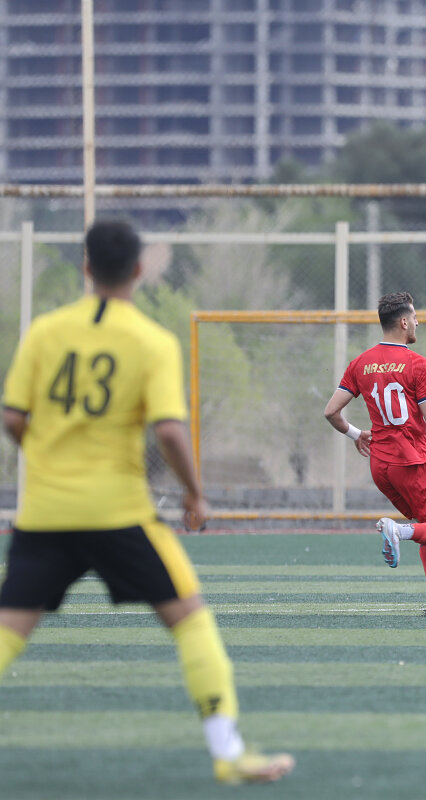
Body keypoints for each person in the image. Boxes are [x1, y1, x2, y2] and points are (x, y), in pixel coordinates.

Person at [0, 219, 293, 784]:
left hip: (46, 514)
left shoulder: (44, 331)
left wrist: (52, 456)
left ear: (86, 266)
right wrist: (195, 493)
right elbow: (169, 430)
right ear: (138, 270)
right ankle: (228, 753)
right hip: (118, 514)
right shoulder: (152, 341)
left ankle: (231, 753)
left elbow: (13, 417)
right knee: (191, 621)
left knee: (9, 630)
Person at [323, 291, 426, 616]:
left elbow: (330, 412)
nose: (418, 322)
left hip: (380, 466)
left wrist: (356, 434)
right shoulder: (417, 364)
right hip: (410, 461)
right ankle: (397, 531)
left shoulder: (361, 362)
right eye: (414, 317)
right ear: (403, 322)